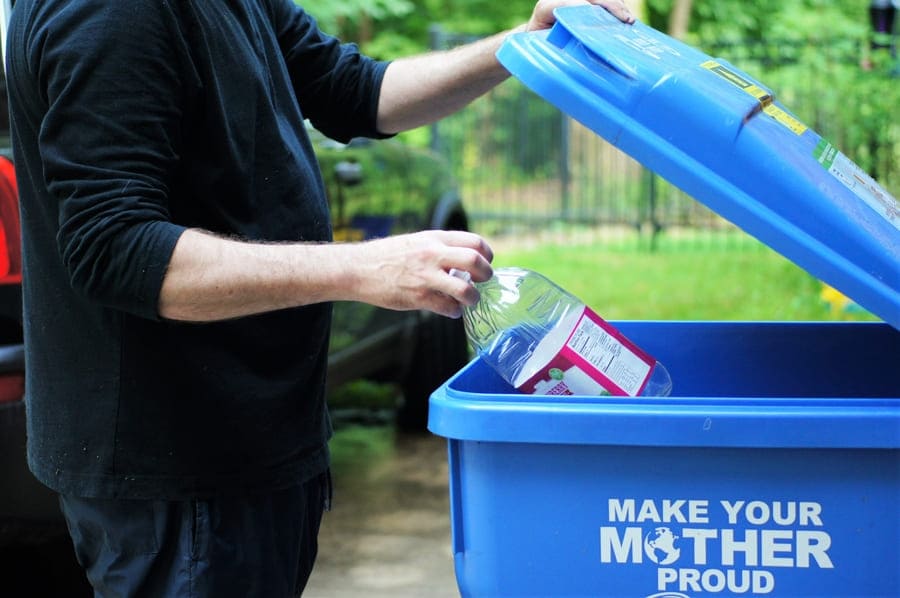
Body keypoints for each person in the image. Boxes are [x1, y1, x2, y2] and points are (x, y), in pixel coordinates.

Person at [5, 0, 634, 595]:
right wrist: (364, 267)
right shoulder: (114, 10)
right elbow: (116, 251)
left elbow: (354, 89)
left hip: (254, 440)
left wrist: (524, 47)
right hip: (177, 470)